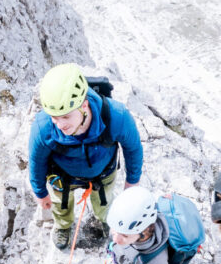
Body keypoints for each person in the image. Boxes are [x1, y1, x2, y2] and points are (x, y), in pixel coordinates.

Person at [28, 63, 143, 249]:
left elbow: (133, 148)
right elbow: (36, 161)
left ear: (84, 105)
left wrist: (132, 181)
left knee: (104, 202)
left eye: (65, 117)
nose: (59, 125)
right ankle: (63, 225)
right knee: (61, 205)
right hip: (63, 176)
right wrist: (40, 192)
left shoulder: (116, 116)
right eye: (54, 117)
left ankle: (105, 219)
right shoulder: (43, 127)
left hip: (103, 172)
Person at [101, 186, 170, 264]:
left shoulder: (155, 263)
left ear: (144, 231)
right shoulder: (122, 222)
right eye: (115, 230)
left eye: (125, 235)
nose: (115, 239)